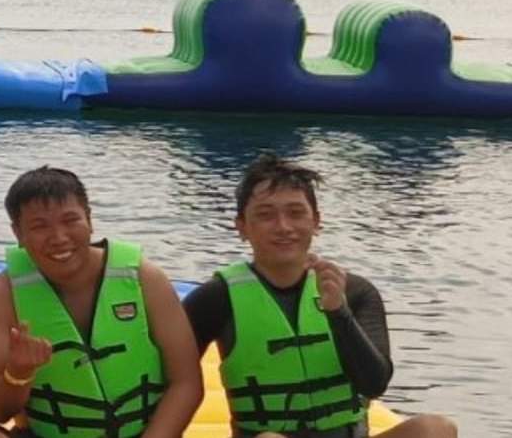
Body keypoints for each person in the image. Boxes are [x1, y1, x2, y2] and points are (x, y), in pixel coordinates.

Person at [182, 154, 458, 438]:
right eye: (266, 215)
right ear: (241, 227)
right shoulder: (216, 299)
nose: (283, 227)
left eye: (296, 213)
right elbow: (174, 385)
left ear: (316, 221)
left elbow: (374, 384)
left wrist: (339, 313)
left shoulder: (355, 292)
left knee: (435, 429)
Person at [0, 166, 203, 438]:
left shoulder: (144, 278)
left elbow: (186, 383)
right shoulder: (1, 295)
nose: (59, 237)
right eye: (39, 226)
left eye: (70, 220)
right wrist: (18, 373)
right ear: (18, 233)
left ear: (89, 219)